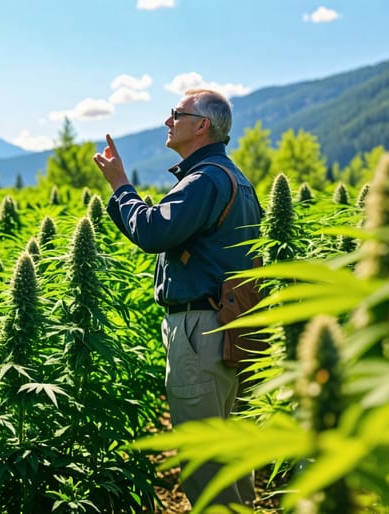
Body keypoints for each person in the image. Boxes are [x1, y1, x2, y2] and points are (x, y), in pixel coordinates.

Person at [92, 89, 261, 508]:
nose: (168, 121)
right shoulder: (236, 179)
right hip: (232, 328)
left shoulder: (204, 180)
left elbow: (152, 231)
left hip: (200, 330)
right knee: (232, 458)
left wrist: (120, 187)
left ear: (202, 125)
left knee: (205, 462)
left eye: (176, 114)